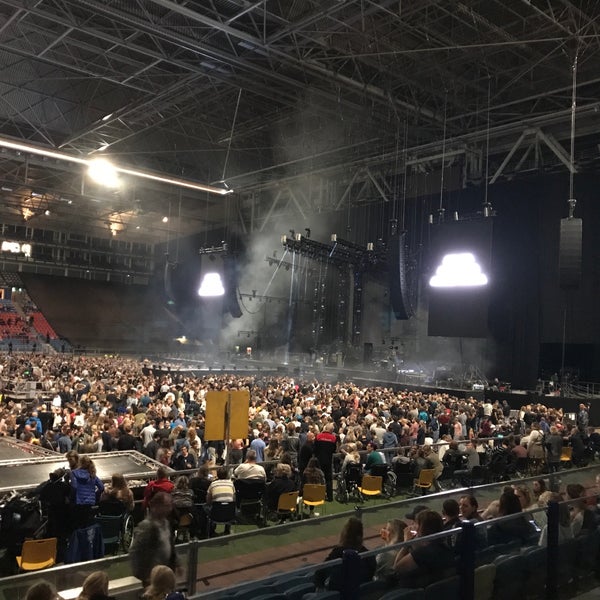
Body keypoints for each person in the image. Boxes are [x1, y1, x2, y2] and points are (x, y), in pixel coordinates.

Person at [393, 509, 456, 588]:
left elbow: (397, 568)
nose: (413, 526)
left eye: (416, 523)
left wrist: (406, 543)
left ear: (421, 528)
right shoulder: (445, 546)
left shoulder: (423, 552)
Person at [129, 491, 178, 587]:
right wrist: (144, 575)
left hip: (164, 573)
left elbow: (170, 545)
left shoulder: (166, 523)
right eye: (167, 505)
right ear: (157, 506)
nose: (170, 509)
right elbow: (135, 552)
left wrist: (177, 563)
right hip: (151, 576)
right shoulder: (146, 526)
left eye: (170, 505)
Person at [315, 516, 376, 591]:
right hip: (362, 593)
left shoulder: (338, 552)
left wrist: (320, 588)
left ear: (344, 534)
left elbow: (320, 573)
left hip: (339, 593)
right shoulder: (367, 554)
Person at [70, 455, 104, 528]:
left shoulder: (74, 473)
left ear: (80, 463)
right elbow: (101, 487)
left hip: (78, 502)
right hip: (90, 502)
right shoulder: (92, 474)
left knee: (78, 524)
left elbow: (74, 487)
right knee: (87, 524)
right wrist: (94, 494)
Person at [314, 423, 337, 502]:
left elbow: (315, 449)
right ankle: (330, 497)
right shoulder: (333, 438)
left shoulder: (318, 436)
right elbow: (334, 450)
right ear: (331, 430)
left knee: (318, 478)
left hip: (319, 460)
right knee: (328, 479)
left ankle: (318, 495)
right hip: (328, 461)